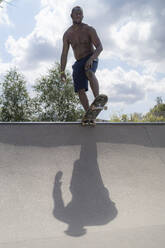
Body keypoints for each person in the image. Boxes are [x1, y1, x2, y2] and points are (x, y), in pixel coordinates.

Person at [60, 6, 103, 112]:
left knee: (88, 72)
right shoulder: (67, 34)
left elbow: (99, 47)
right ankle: (88, 113)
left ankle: (98, 101)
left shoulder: (89, 29)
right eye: (76, 13)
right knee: (79, 88)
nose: (78, 15)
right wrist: (62, 71)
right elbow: (64, 54)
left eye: (80, 14)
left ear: (83, 16)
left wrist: (91, 59)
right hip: (79, 62)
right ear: (71, 16)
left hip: (91, 57)